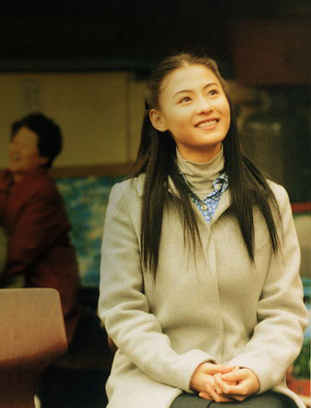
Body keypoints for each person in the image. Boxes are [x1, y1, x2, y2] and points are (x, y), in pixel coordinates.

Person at [97, 53, 308, 408]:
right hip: (159, 384)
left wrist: (254, 369)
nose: (205, 107)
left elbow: (284, 311)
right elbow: (122, 311)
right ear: (158, 119)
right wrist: (190, 371)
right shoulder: (130, 200)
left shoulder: (270, 199)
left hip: (248, 382)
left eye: (212, 93)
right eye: (186, 99)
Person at [0, 112, 81, 343]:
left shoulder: (43, 191)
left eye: (24, 144)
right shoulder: (4, 180)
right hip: (5, 277)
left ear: (43, 156)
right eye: (14, 141)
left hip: (44, 286)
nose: (15, 148)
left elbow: (20, 252)